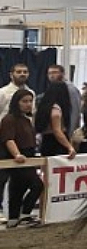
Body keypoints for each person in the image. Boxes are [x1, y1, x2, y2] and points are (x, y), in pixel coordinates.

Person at [1, 90, 43, 228]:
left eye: (30, 101)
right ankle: (24, 214)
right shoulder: (9, 119)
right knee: (36, 185)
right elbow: (9, 139)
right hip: (18, 157)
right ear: (16, 102)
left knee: (18, 188)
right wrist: (17, 154)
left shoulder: (26, 119)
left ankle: (14, 218)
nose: (28, 104)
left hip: (29, 155)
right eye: (24, 101)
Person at [35, 81, 77, 159]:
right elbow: (57, 131)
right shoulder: (56, 110)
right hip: (57, 144)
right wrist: (69, 146)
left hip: (46, 141)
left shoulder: (44, 107)